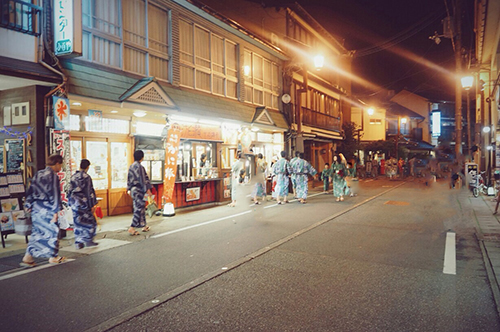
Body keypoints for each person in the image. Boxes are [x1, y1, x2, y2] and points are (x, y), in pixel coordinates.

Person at [20, 154, 66, 267]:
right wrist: (55, 211)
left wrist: (28, 204)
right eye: (61, 164)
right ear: (57, 164)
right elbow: (55, 194)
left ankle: (28, 257)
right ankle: (53, 256)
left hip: (36, 208)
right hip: (48, 209)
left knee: (37, 233)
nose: (61, 167)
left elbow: (30, 190)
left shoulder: (39, 173)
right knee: (52, 232)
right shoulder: (53, 176)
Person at [68, 159, 99, 249]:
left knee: (77, 222)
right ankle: (88, 239)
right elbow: (89, 192)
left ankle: (79, 242)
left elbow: (69, 190)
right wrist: (92, 204)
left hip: (74, 203)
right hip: (84, 203)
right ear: (87, 167)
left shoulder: (73, 176)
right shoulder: (86, 177)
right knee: (90, 221)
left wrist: (70, 203)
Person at [127, 150, 152, 235]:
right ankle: (131, 227)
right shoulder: (140, 167)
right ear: (142, 157)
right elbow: (143, 180)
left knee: (140, 207)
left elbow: (128, 179)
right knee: (139, 209)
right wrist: (148, 190)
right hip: (140, 190)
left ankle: (144, 225)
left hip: (133, 191)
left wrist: (129, 189)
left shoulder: (131, 166)